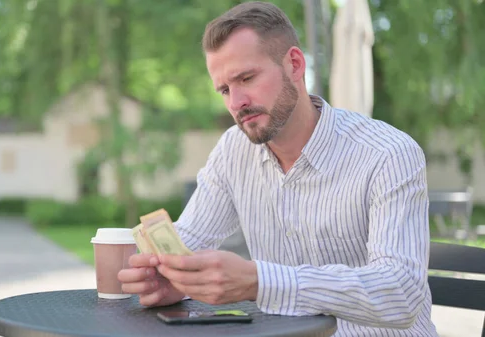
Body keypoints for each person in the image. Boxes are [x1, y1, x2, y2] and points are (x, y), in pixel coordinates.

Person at [118, 2, 438, 336]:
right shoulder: (233, 150)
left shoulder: (388, 154)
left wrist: (260, 281)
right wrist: (173, 279)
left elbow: (401, 293)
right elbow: (192, 240)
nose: (236, 102)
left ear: (295, 65)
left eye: (247, 78)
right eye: (225, 89)